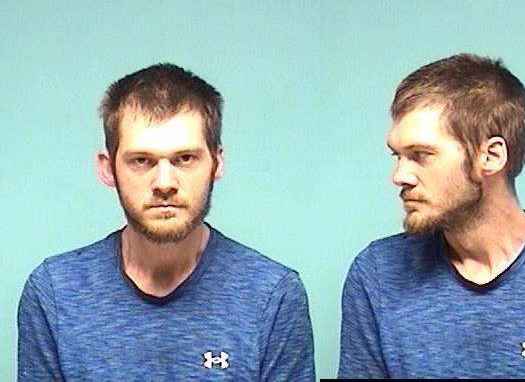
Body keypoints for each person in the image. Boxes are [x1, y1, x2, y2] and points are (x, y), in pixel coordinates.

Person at [338, 53, 525, 378]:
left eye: (421, 155)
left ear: (491, 156)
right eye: (397, 156)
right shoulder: (378, 274)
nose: (399, 176)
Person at [18, 63, 315, 381]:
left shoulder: (272, 295)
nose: (164, 183)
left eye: (184, 159)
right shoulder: (55, 292)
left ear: (217, 163)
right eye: (141, 160)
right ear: (107, 168)